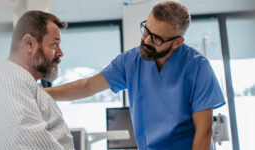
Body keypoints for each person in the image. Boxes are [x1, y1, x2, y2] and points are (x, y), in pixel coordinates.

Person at [45, 0, 225, 150]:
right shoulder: (131, 61)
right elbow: (88, 85)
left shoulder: (197, 67)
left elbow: (204, 131)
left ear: (177, 42)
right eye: (146, 30)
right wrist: (44, 93)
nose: (146, 40)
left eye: (157, 38)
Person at [0, 10, 74, 150]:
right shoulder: (3, 81)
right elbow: (29, 145)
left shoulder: (25, 84)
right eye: (54, 44)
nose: (60, 52)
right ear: (29, 44)